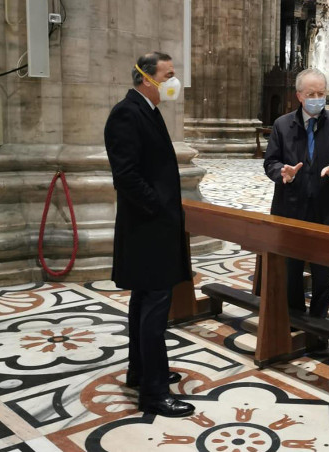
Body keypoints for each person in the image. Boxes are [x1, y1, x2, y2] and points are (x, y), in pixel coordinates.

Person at [104, 51, 195, 418]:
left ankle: (141, 371)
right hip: (147, 229)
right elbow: (125, 175)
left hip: (154, 228)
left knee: (144, 302)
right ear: (146, 78)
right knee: (154, 309)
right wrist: (157, 207)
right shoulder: (127, 112)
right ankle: (155, 394)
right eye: (169, 74)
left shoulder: (149, 110)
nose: (174, 81)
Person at [264, 68, 329, 350]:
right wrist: (283, 173)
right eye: (311, 94)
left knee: (322, 271)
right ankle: (294, 319)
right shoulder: (282, 125)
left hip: (327, 208)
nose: (317, 99)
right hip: (291, 206)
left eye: (321, 94)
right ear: (299, 96)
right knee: (291, 267)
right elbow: (270, 162)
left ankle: (318, 325)